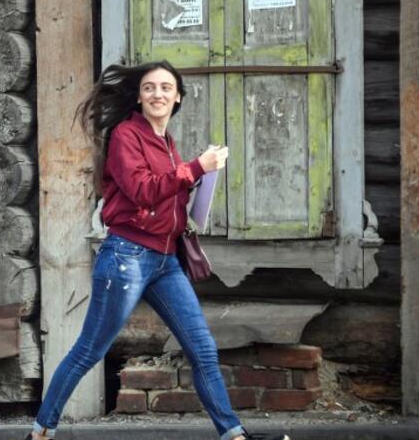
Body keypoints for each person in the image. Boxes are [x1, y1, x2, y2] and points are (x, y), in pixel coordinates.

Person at [24, 61, 287, 440]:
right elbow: (143, 190)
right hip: (126, 258)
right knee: (89, 351)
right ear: (139, 96)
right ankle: (40, 432)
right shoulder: (125, 135)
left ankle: (234, 435)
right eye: (149, 88)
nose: (158, 94)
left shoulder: (165, 141)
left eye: (166, 87)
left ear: (178, 97)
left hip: (165, 262)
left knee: (203, 350)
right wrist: (197, 167)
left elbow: (166, 191)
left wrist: (195, 186)